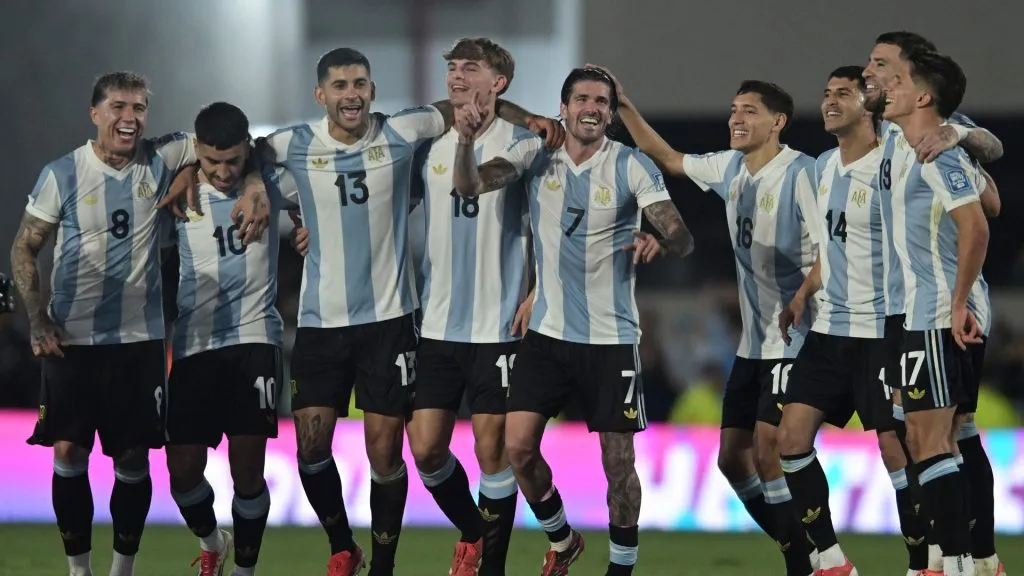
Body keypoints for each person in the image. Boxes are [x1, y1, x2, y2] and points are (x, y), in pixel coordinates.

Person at [256, 47, 562, 576]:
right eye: (340, 85)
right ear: (320, 94)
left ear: (373, 90)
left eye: (360, 83)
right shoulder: (299, 143)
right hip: (335, 323)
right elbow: (243, 155)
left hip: (405, 319)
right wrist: (257, 194)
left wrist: (527, 116)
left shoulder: (421, 133)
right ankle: (344, 545)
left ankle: (403, 565)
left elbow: (475, 115)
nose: (351, 94)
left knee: (409, 453)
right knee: (325, 449)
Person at [9, 72, 267, 576]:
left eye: (139, 108)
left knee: (131, 459)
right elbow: (26, 245)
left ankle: (121, 570)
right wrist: (36, 317)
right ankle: (79, 570)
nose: (130, 118)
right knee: (68, 451)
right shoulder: (62, 173)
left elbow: (236, 145)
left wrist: (253, 181)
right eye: (119, 107)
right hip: (72, 338)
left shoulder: (165, 155)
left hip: (138, 342)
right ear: (95, 114)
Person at [452, 67, 695, 576]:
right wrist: (465, 141)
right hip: (546, 333)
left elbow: (681, 235)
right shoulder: (535, 155)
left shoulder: (630, 165)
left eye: (602, 101)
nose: (592, 107)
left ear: (610, 112)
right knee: (517, 448)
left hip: (611, 340)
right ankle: (562, 539)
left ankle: (620, 569)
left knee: (618, 465)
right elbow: (470, 186)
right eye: (582, 98)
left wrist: (660, 238)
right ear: (563, 108)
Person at [601, 64, 820, 576]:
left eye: (749, 111)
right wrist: (626, 105)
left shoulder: (803, 172)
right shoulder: (730, 169)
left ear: (778, 122)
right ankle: (804, 551)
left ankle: (812, 559)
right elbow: (669, 158)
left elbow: (832, 245)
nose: (736, 118)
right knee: (730, 460)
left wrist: (806, 293)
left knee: (770, 454)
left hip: (796, 338)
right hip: (754, 345)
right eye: (733, 110)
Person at [863, 31, 1005, 576]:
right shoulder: (895, 135)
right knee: (940, 434)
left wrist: (957, 301)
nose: (876, 76)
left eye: (888, 70)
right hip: (911, 310)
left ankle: (955, 562)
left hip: (938, 308)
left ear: (919, 89)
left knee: (931, 436)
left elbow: (983, 213)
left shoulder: (940, 141)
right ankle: (971, 560)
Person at [776, 65, 920, 576]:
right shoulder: (820, 169)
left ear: (869, 104)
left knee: (895, 448)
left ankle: (922, 562)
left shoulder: (894, 163)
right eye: (827, 92)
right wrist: (802, 293)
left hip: (883, 328)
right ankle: (832, 560)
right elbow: (829, 248)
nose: (830, 101)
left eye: (844, 93)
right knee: (789, 440)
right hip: (829, 329)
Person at [163, 102, 297, 576]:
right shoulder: (176, 187)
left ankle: (244, 570)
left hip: (253, 338)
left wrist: (305, 228)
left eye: (234, 161)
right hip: (195, 344)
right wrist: (183, 169)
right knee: (181, 471)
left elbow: (325, 200)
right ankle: (211, 542)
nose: (222, 173)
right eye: (212, 162)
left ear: (247, 151)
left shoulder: (273, 185)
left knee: (246, 470)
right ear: (196, 150)